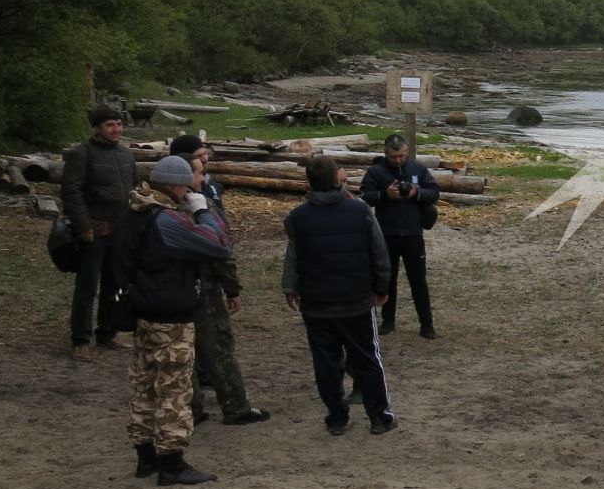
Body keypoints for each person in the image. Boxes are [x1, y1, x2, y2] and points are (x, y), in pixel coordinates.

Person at [107, 155, 235, 485]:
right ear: (178, 187)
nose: (198, 186)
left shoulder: (131, 215)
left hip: (142, 312)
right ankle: (172, 462)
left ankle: (145, 456)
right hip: (171, 315)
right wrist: (203, 210)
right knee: (174, 390)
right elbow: (219, 245)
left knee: (144, 386)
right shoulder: (165, 220)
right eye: (193, 183)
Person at [283, 156, 397, 436]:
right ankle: (379, 416)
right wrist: (382, 289)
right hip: (355, 300)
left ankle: (336, 416)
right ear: (337, 178)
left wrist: (291, 286)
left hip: (317, 302)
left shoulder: (297, 217)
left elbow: (293, 256)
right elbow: (379, 253)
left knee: (325, 362)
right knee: (368, 358)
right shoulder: (359, 211)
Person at [169, 134, 268, 425]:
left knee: (182, 351)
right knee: (219, 348)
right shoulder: (200, 209)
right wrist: (232, 288)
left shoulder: (156, 209)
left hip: (173, 289)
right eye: (199, 169)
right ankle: (235, 406)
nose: (204, 173)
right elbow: (220, 248)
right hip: (205, 287)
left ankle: (193, 408)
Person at [63, 106, 137, 360]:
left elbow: (132, 190)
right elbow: (72, 193)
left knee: (114, 285)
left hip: (120, 232)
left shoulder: (126, 154)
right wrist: (83, 226)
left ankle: (107, 332)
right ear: (97, 128)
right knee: (87, 288)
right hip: (94, 231)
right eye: (110, 125)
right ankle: (80, 339)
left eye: (119, 124)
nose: (116, 129)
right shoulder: (81, 154)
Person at [358, 134, 440, 338]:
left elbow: (434, 192)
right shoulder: (376, 172)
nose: (398, 160)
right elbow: (365, 198)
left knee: (418, 280)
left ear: (406, 152)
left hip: (413, 233)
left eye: (401, 156)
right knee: (387, 280)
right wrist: (384, 195)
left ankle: (426, 324)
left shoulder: (418, 169)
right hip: (387, 233)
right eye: (394, 157)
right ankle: (388, 321)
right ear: (386, 153)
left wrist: (416, 193)